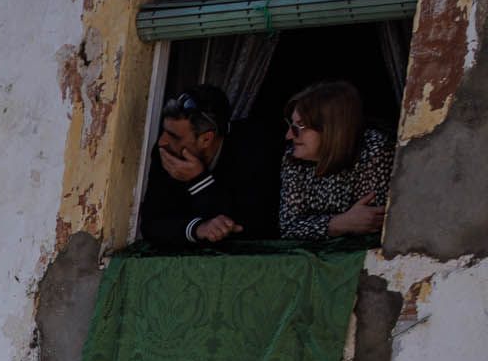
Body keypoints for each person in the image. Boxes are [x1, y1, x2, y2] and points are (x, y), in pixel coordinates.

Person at [139, 85, 267, 246]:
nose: (162, 141)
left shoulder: (251, 151)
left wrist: (199, 181)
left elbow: (243, 229)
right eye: (164, 131)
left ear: (206, 139)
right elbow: (151, 225)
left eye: (174, 136)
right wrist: (197, 229)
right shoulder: (167, 151)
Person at [277, 79, 390, 241]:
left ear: (331, 129)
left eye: (300, 127)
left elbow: (372, 223)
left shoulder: (374, 152)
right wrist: (339, 224)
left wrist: (320, 225)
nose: (289, 135)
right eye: (291, 125)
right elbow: (288, 226)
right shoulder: (293, 158)